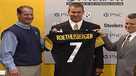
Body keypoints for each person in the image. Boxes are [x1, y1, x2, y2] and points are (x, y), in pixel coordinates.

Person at [45, 2, 104, 76]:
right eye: (73, 12)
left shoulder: (93, 28)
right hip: (64, 69)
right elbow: (49, 48)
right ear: (68, 12)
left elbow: (98, 50)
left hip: (86, 68)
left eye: (79, 12)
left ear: (83, 13)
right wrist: (49, 36)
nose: (76, 14)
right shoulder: (57, 28)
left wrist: (99, 66)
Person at [0, 5, 44, 76]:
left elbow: (40, 47)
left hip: (36, 67)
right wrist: (12, 68)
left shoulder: (35, 30)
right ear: (18, 15)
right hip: (19, 69)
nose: (29, 17)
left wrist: (50, 39)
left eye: (31, 14)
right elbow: (5, 53)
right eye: (26, 14)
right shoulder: (11, 32)